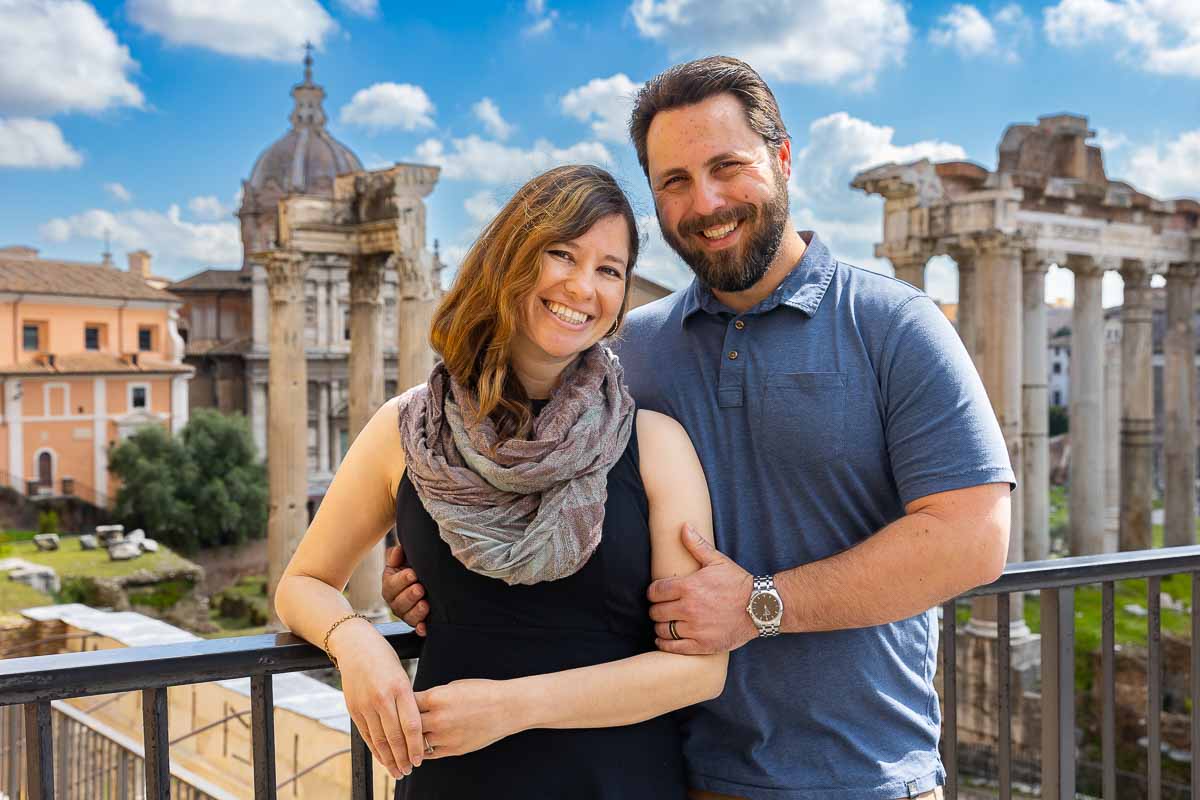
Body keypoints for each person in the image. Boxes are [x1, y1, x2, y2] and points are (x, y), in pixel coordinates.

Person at [385, 57, 1015, 800]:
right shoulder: (623, 353)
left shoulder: (893, 325)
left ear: (781, 158)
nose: (706, 201)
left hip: (866, 777)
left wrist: (760, 605)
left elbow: (974, 538)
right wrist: (448, 567)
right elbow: (562, 511)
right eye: (674, 182)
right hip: (678, 774)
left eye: (727, 166)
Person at [275, 164, 726, 799]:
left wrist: (511, 707)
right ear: (509, 259)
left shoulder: (654, 445)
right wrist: (357, 643)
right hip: (452, 783)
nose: (583, 286)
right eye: (561, 254)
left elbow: (699, 670)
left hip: (617, 782)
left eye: (609, 270)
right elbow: (302, 584)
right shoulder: (406, 430)